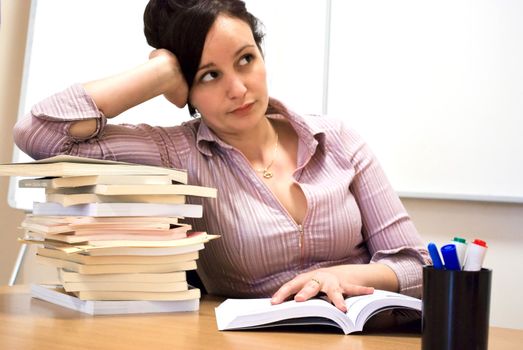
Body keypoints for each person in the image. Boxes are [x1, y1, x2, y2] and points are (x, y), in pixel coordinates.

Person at [14, 0, 429, 313]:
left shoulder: (336, 139)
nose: (238, 88)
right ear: (186, 91)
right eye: (209, 75)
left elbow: (415, 267)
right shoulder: (176, 152)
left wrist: (335, 276)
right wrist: (158, 74)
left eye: (246, 59)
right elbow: (41, 135)